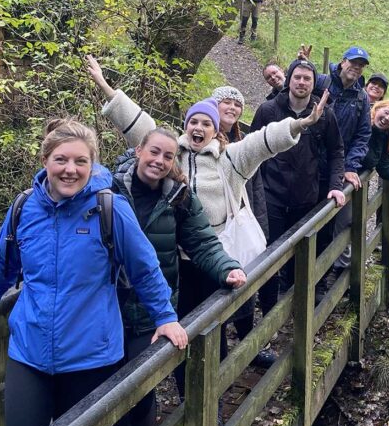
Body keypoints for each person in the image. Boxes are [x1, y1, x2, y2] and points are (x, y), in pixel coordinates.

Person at [0, 119, 187, 426]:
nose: (70, 170)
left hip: (88, 355)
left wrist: (166, 317)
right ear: (45, 160)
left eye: (80, 161)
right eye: (61, 160)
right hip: (29, 351)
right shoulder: (23, 208)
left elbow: (145, 267)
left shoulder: (110, 209)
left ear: (92, 165)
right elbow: (4, 259)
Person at [85, 56, 328, 352]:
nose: (199, 127)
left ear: (215, 131)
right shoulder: (172, 154)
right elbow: (137, 121)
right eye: (194, 122)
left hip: (215, 256)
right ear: (186, 126)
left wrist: (300, 123)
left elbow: (264, 141)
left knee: (215, 325)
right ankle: (184, 377)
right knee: (181, 323)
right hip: (178, 260)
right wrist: (104, 85)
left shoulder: (230, 160)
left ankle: (220, 376)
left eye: (206, 123)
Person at [110, 127, 246, 426]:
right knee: (112, 382)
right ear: (139, 150)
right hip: (106, 306)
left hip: (151, 307)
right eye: (154, 152)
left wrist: (226, 267)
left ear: (174, 161)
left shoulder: (179, 196)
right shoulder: (108, 191)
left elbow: (201, 240)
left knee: (140, 384)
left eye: (167, 156)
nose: (159, 161)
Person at [251, 58, 345, 306]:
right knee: (269, 252)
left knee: (300, 254)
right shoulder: (268, 110)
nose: (302, 82)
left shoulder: (324, 115)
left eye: (307, 79)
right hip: (271, 195)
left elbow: (336, 151)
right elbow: (250, 149)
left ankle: (295, 303)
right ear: (289, 80)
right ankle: (269, 307)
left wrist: (336, 185)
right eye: (297, 77)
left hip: (306, 196)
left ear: (313, 84)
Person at [211, 85, 276, 368]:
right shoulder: (202, 139)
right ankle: (221, 356)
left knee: (246, 287)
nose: (233, 108)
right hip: (215, 230)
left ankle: (250, 347)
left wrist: (260, 224)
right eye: (227, 102)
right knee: (220, 293)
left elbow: (256, 189)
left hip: (242, 224)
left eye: (237, 105)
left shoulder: (244, 141)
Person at [315, 47, 372, 288]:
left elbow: (362, 135)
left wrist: (350, 166)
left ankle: (320, 278)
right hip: (311, 165)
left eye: (361, 65)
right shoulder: (322, 83)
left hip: (338, 169)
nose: (356, 68)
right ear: (342, 62)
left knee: (331, 221)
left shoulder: (362, 97)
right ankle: (296, 279)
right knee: (305, 219)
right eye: (353, 63)